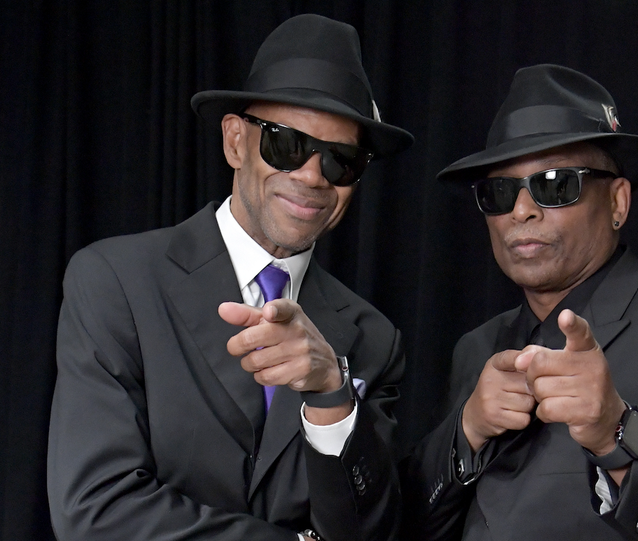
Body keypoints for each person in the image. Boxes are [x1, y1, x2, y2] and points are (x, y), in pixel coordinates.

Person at [48, 14, 413, 541]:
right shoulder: (115, 282)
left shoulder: (373, 339)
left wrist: (331, 394)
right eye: (286, 145)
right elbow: (94, 510)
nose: (312, 176)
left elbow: (367, 530)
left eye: (342, 161)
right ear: (235, 142)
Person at [401, 64, 638, 540]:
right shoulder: (477, 349)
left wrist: (618, 435)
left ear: (618, 202)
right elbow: (405, 525)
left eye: (556, 184)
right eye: (499, 192)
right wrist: (467, 431)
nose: (522, 210)